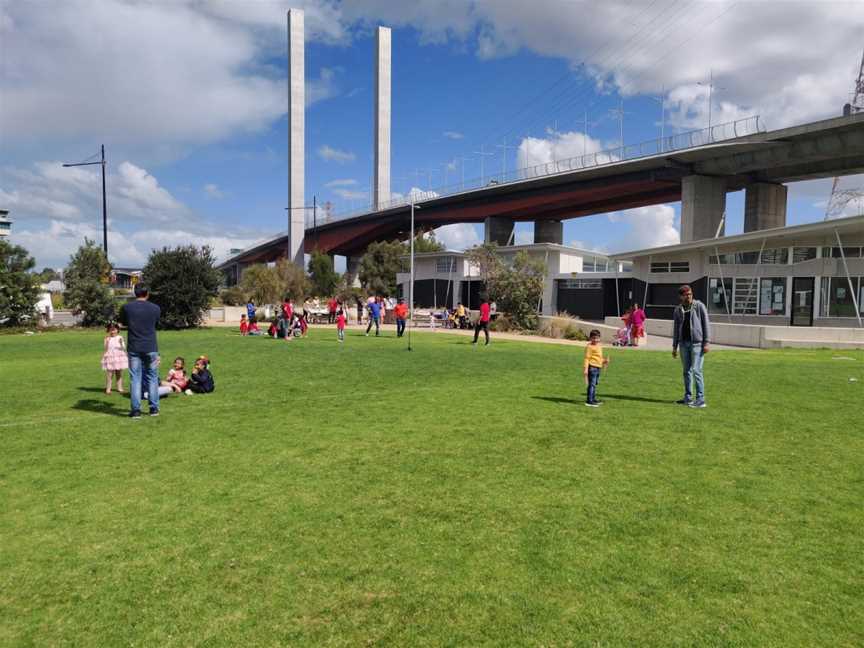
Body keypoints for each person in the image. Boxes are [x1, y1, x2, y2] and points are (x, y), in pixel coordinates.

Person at [118, 283, 161, 418]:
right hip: (151, 347)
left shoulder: (127, 307)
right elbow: (156, 323)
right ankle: (154, 408)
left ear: (134, 293)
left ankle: (136, 410)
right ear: (147, 293)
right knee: (152, 377)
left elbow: (123, 322)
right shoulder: (155, 308)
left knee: (135, 378)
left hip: (134, 347)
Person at [672, 284, 711, 408]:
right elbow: (676, 329)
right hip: (683, 344)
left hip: (697, 344)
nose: (689, 296)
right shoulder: (678, 310)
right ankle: (688, 398)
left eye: (690, 294)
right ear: (681, 297)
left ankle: (700, 399)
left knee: (696, 370)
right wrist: (674, 346)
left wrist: (707, 342)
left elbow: (706, 325)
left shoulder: (699, 306)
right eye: (686, 295)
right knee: (686, 371)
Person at [583, 329, 610, 407]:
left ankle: (593, 399)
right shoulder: (589, 347)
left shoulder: (599, 346)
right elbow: (587, 358)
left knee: (594, 384)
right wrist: (585, 369)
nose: (596, 340)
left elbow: (599, 358)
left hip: (598, 368)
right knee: (592, 384)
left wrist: (605, 361)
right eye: (594, 338)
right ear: (590, 338)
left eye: (597, 338)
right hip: (592, 368)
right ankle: (589, 401)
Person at [101, 323, 128, 395]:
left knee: (118, 373)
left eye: (114, 330)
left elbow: (123, 347)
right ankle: (108, 389)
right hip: (110, 357)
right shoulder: (107, 338)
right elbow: (106, 348)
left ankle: (120, 388)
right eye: (111, 330)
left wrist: (121, 343)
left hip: (118, 357)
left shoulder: (120, 337)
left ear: (117, 330)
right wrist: (107, 342)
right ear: (108, 330)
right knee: (109, 374)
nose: (112, 331)